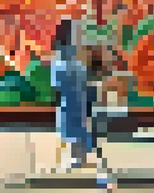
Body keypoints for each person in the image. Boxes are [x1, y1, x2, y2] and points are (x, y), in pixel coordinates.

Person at [51, 19, 115, 191]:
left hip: (79, 103)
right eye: (77, 35)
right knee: (77, 131)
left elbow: (67, 85)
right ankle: (88, 165)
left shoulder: (71, 61)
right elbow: (62, 85)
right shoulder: (65, 62)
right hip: (74, 103)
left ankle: (91, 167)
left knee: (80, 133)